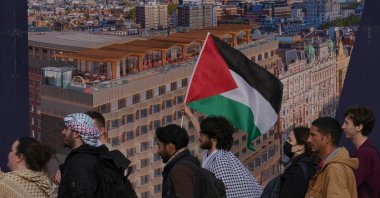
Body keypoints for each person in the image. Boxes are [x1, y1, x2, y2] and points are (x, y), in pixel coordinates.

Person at [183, 106, 262, 197]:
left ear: (213, 139)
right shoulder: (216, 153)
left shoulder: (220, 162)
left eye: (203, 134)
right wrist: (190, 115)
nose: (200, 137)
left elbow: (223, 194)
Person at [57, 113, 109, 198]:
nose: (63, 132)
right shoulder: (90, 157)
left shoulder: (81, 162)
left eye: (66, 128)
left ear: (76, 133)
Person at [306, 117, 359, 198]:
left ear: (327, 138)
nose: (309, 140)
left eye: (313, 135)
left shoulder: (334, 169)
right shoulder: (329, 167)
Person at [342, 106, 380, 198]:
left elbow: (351, 185)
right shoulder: (366, 151)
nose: (343, 126)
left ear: (359, 127)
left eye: (347, 123)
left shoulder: (365, 153)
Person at [156, 124, 201, 198]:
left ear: (169, 147)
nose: (158, 151)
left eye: (159, 146)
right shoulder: (190, 160)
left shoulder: (180, 171)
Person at [279, 127, 317, 198]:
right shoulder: (310, 164)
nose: (286, 143)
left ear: (300, 146)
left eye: (290, 140)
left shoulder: (297, 169)